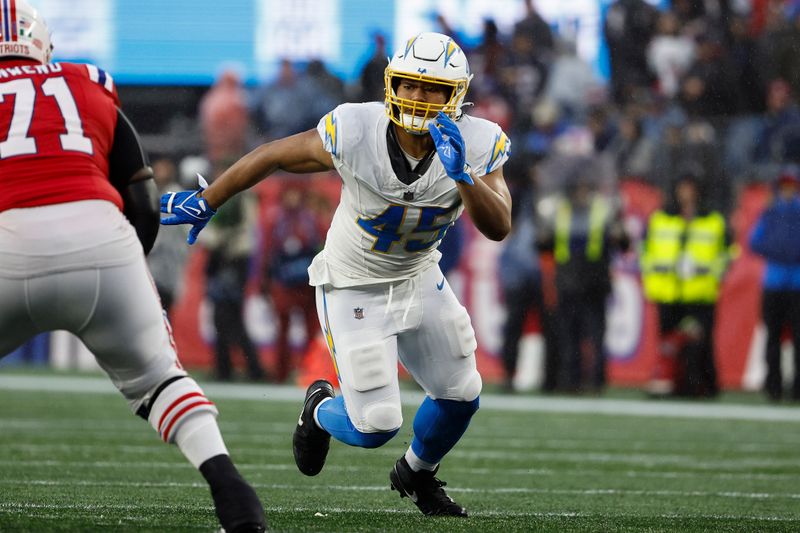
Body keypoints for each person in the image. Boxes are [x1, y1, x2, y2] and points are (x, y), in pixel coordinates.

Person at [161, 31, 512, 516]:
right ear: (392, 84)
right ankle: (320, 410)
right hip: (353, 281)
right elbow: (273, 155)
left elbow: (498, 226)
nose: (417, 97)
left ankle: (416, 473)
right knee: (375, 424)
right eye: (410, 84)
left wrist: (462, 176)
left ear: (456, 96)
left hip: (417, 273)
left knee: (462, 393)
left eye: (432, 88)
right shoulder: (356, 128)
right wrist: (208, 200)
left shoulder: (477, 142)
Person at [0, 4, 266, 531]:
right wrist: (127, 271)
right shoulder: (87, 81)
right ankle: (233, 494)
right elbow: (141, 199)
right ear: (44, 47)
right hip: (103, 237)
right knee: (161, 381)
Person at [640, 172, 734, 397]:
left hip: (699, 291)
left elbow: (726, 254)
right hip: (668, 290)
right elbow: (646, 252)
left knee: (700, 343)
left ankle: (702, 385)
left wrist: (711, 274)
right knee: (669, 343)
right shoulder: (660, 218)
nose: (686, 193)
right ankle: (670, 382)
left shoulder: (712, 220)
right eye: (683, 188)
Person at [749, 167, 800, 401]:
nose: (788, 189)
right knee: (773, 337)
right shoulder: (770, 212)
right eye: (785, 185)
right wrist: (783, 251)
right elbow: (754, 241)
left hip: (795, 283)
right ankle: (774, 386)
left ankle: (796, 387)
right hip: (775, 282)